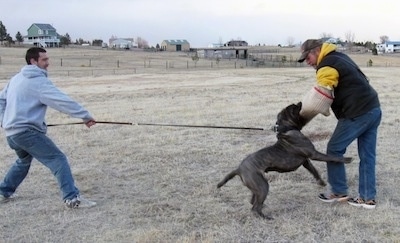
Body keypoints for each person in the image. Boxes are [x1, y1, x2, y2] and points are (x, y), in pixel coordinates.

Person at [0, 47, 97, 208]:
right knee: (58, 159)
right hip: (26, 134)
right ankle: (72, 199)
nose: (48, 63)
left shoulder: (16, 78)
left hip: (12, 135)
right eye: (44, 60)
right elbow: (62, 101)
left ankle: (4, 191)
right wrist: (85, 115)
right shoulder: (38, 82)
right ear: (33, 61)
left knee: (23, 160)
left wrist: (5, 121)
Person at [298, 39, 381, 209]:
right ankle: (367, 198)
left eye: (308, 57)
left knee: (334, 149)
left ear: (318, 50)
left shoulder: (326, 66)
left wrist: (299, 119)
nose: (307, 62)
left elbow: (321, 95)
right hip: (373, 108)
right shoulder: (339, 56)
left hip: (357, 113)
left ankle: (338, 191)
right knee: (367, 155)